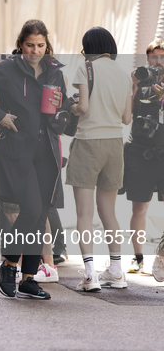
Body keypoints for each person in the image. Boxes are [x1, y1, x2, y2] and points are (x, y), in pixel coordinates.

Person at [0, 19, 70, 299]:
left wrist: (66, 112)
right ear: (20, 44)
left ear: (47, 44)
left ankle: (28, 278)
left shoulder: (54, 71)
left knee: (38, 216)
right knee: (33, 209)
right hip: (16, 150)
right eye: (30, 45)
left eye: (40, 45)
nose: (35, 51)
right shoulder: (6, 69)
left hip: (46, 150)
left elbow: (64, 108)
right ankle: (9, 264)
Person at [66, 26, 132, 292]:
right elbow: (127, 118)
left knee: (84, 213)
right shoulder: (124, 74)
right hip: (115, 145)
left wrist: (70, 107)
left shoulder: (87, 68)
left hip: (88, 142)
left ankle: (90, 274)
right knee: (109, 212)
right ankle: (117, 271)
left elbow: (82, 107)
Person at [125, 40, 164, 274]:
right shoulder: (141, 85)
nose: (158, 63)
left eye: (162, 57)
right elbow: (126, 116)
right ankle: (137, 257)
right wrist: (133, 87)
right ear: (147, 59)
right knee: (139, 206)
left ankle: (161, 256)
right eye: (153, 58)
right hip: (142, 152)